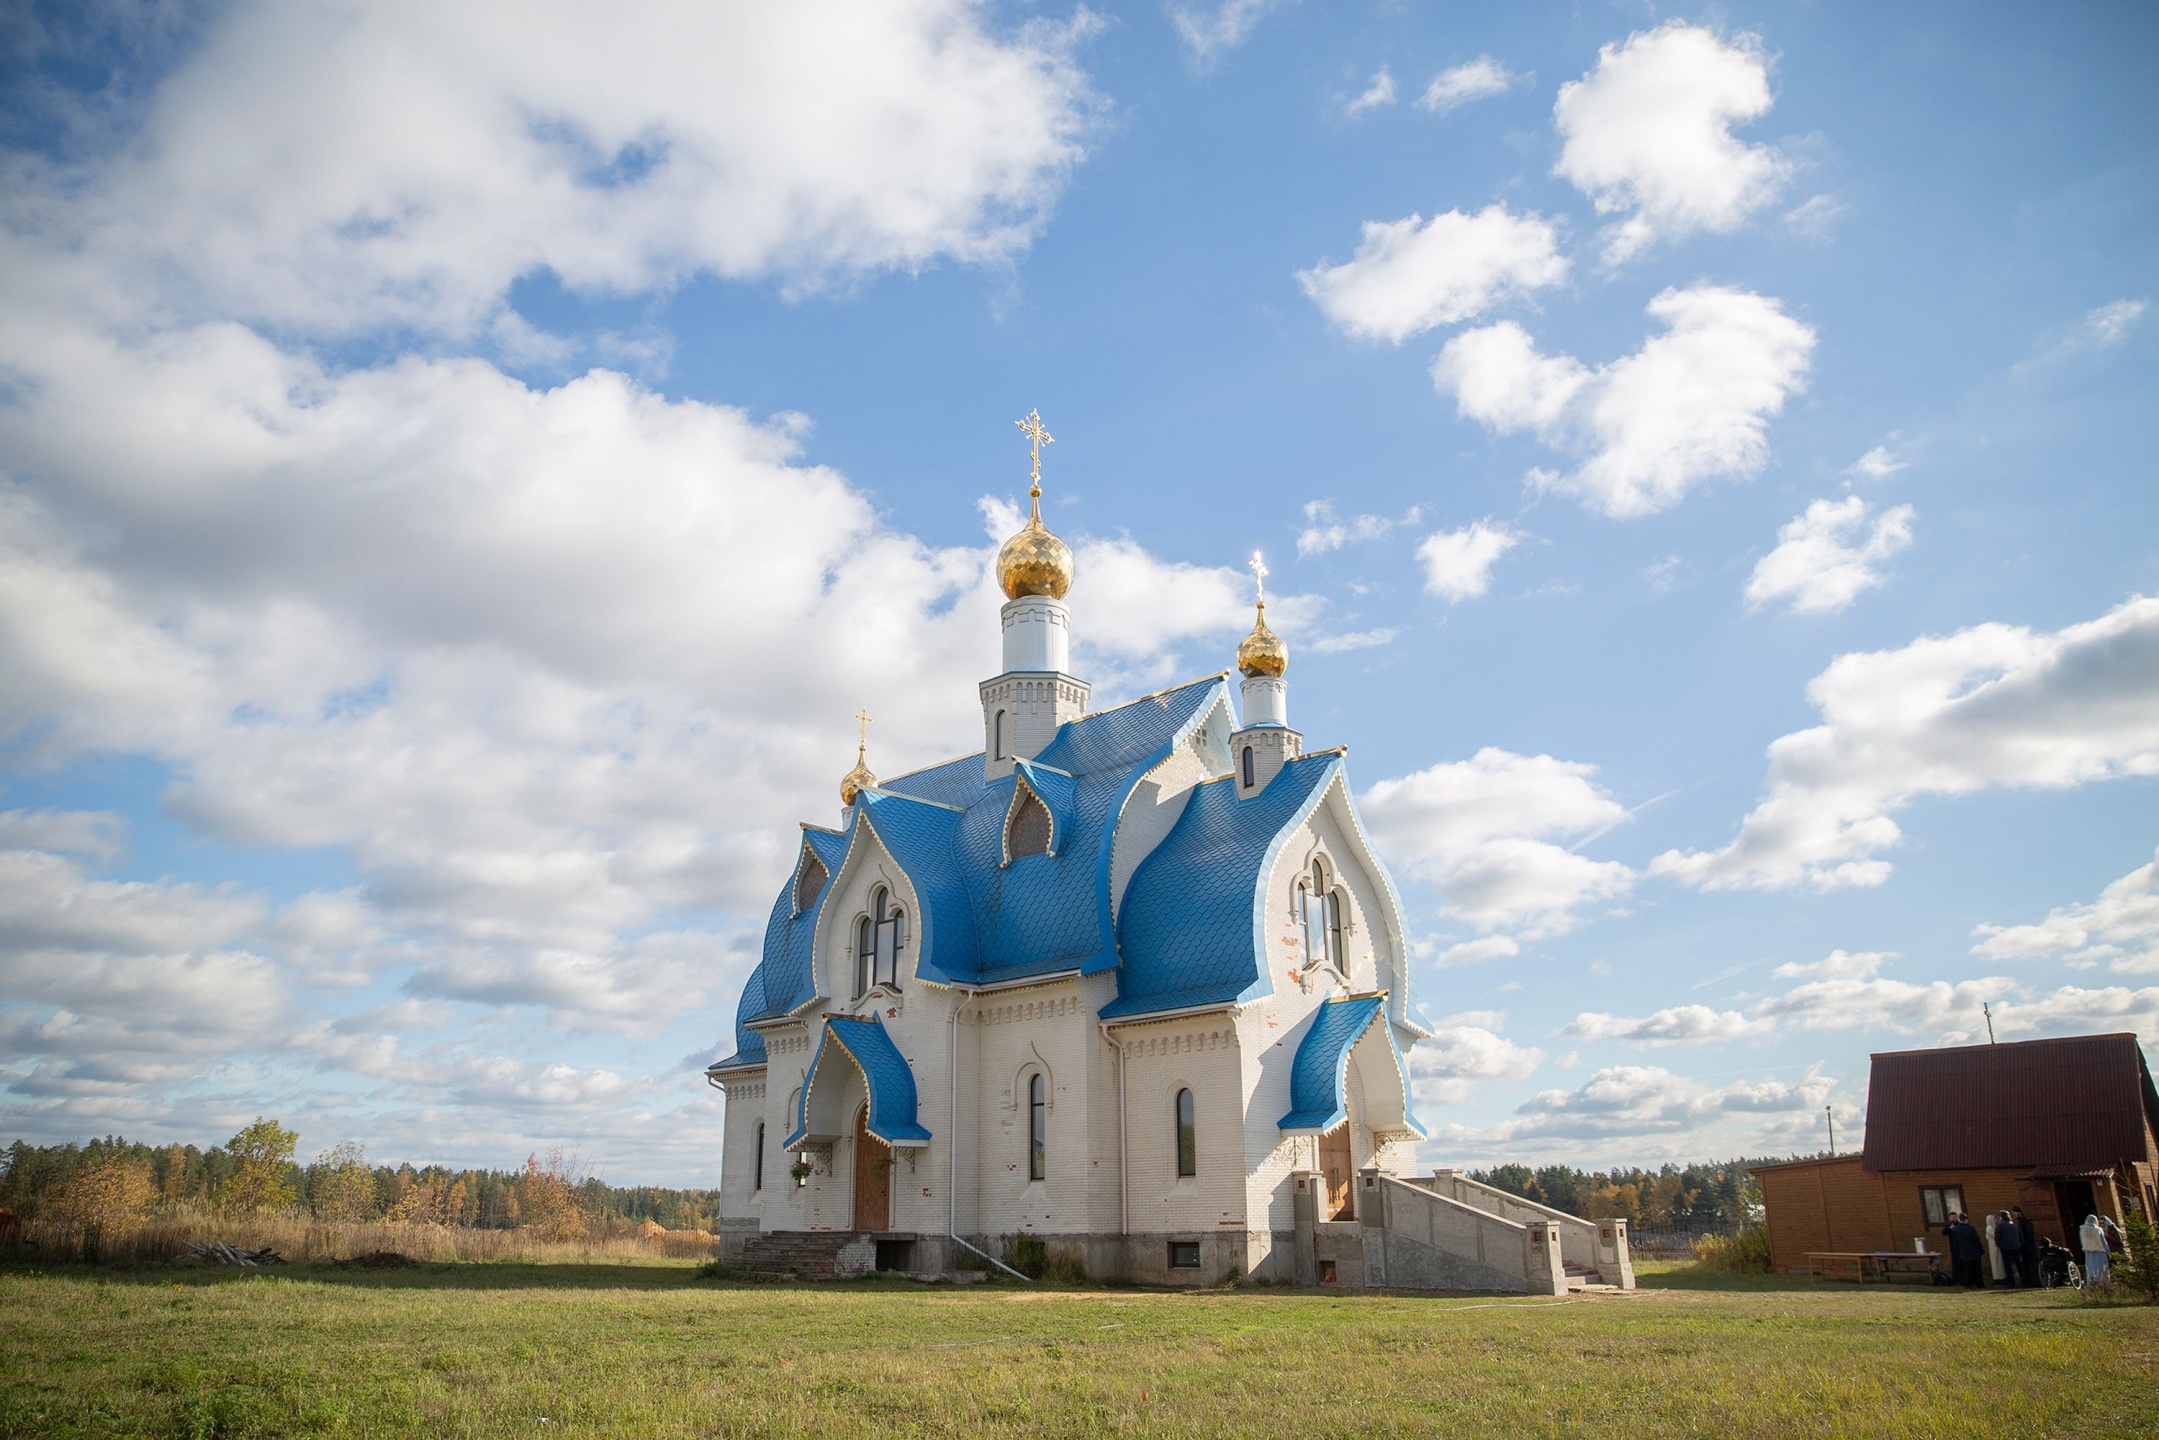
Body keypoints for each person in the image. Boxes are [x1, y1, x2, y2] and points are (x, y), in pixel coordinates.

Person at [1948, 1212, 1986, 1288]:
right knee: (1977, 1269)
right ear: (1966, 1219)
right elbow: (1977, 1240)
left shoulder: (1955, 1230)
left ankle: (1968, 1283)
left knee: (1966, 1269)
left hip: (1963, 1252)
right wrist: (1981, 1250)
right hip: (1974, 1252)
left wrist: (1958, 1252)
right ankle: (1978, 1283)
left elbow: (1955, 1242)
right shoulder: (1971, 1228)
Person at [1992, 1211, 2024, 1288]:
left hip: (2005, 1247)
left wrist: (2000, 1245)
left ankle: (2011, 1283)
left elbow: (1997, 1238)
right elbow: (2020, 1236)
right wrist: (2019, 1244)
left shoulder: (2000, 1226)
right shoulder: (2014, 1225)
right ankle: (2024, 1281)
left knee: (2008, 1265)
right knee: (2019, 1264)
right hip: (2016, 1247)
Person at [2012, 1206, 2039, 1288]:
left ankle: (2034, 1281)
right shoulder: (2021, 1222)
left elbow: (2027, 1234)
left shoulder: (2025, 1221)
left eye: (2015, 1213)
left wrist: (2023, 1243)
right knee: (2026, 1264)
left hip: (2028, 1247)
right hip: (2024, 1247)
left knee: (2031, 1264)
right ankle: (2030, 1281)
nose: (2014, 1215)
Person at [2081, 1213, 2110, 1287]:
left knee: (2091, 1268)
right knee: (2101, 1268)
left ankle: (2092, 1283)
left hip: (2088, 1253)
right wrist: (2108, 1251)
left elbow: (2082, 1241)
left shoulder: (2082, 1229)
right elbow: (2103, 1242)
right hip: (2099, 1252)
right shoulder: (2098, 1229)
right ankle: (2102, 1283)